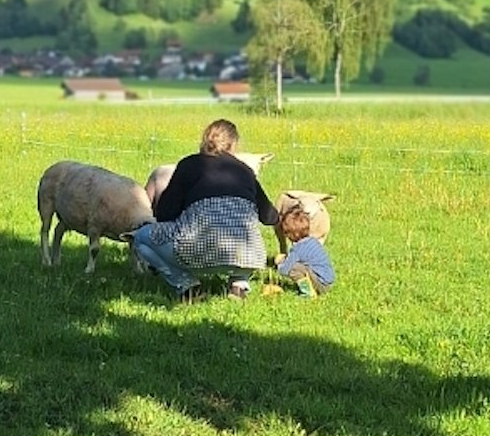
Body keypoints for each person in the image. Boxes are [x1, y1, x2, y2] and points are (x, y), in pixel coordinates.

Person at [130, 118, 278, 300]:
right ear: (233, 144)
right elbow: (270, 217)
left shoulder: (188, 165)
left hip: (196, 253)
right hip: (248, 256)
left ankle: (187, 285)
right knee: (244, 235)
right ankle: (239, 284)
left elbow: (165, 214)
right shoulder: (245, 171)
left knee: (141, 238)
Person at [269, 198, 336, 296]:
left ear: (289, 235)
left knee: (293, 268)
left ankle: (308, 292)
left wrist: (279, 263)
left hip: (321, 284)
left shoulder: (297, 249)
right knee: (300, 266)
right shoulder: (313, 241)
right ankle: (313, 287)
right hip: (328, 282)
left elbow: (285, 270)